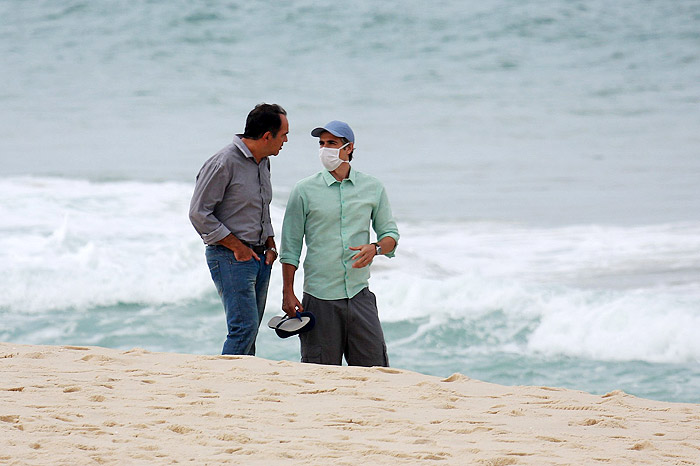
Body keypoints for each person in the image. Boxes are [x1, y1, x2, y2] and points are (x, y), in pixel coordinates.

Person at [280, 120, 399, 367]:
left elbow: (391, 236)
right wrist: (288, 292)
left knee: (376, 372)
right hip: (319, 298)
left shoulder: (372, 187)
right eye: (321, 143)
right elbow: (290, 248)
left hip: (359, 296)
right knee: (319, 374)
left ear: (349, 148)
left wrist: (375, 248)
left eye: (332, 143)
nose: (325, 149)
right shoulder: (304, 190)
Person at [189, 103, 288, 355]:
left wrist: (270, 244)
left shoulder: (263, 162)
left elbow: (261, 207)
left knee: (250, 330)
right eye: (283, 134)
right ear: (267, 136)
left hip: (260, 257)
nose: (285, 140)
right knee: (243, 328)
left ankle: (243, 385)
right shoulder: (223, 163)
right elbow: (199, 213)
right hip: (230, 257)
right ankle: (225, 382)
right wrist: (238, 247)